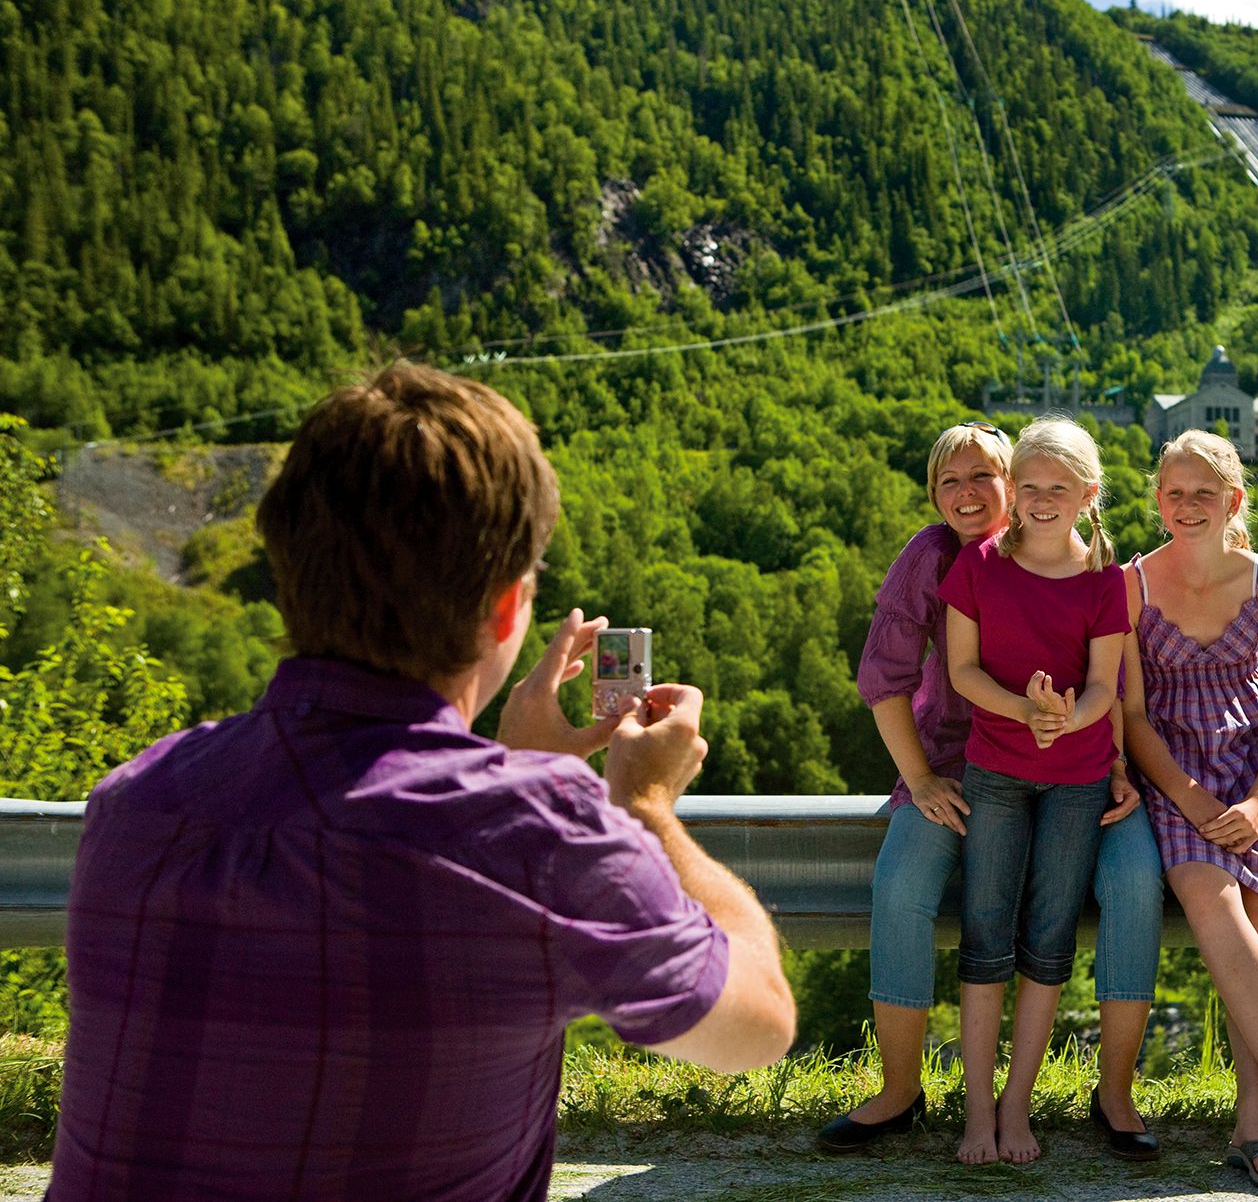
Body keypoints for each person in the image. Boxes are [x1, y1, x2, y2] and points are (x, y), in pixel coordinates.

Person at [49, 364, 795, 1201]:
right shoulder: (535, 832)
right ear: (509, 608)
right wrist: (645, 808)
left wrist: (528, 770)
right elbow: (758, 1023)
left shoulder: (138, 803)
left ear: (287, 566)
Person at [817, 422, 1161, 1162]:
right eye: (949, 481)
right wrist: (917, 779)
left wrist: (1120, 762)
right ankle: (902, 1088)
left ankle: (1115, 1092)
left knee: (1134, 877)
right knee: (904, 878)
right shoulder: (940, 557)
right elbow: (884, 677)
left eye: (983, 478)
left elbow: (1116, 682)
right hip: (951, 760)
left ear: (1019, 484)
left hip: (1083, 762)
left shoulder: (1083, 559)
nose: (966, 494)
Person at [1121, 430, 1258, 1193]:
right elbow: (1134, 717)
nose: (1188, 506)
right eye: (1174, 493)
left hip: (1256, 768)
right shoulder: (1133, 585)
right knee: (1213, 901)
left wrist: (1256, 798)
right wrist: (1189, 796)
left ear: (1233, 502)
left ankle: (1255, 1126)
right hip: (1174, 770)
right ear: (1158, 501)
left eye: (1203, 494)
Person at [937, 416, 1132, 1166]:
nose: (1043, 500)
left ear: (1087, 494)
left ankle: (1018, 1106)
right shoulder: (980, 565)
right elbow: (963, 671)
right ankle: (977, 1110)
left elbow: (1104, 686)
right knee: (985, 939)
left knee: (1046, 945)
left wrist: (1067, 720)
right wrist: (1027, 710)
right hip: (996, 774)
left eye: (1061, 487)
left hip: (1076, 783)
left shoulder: (1104, 581)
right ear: (1012, 490)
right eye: (1032, 486)